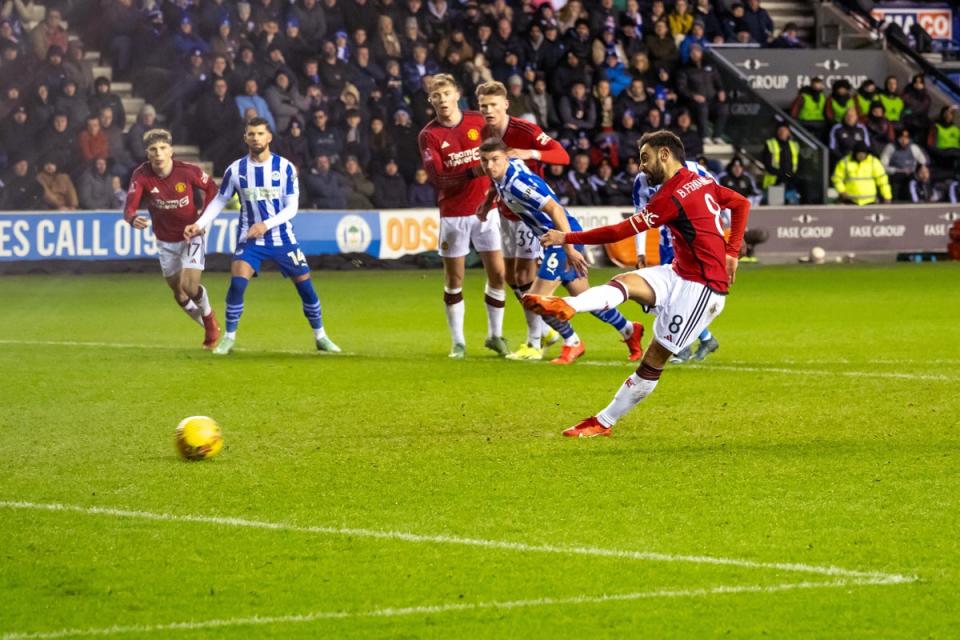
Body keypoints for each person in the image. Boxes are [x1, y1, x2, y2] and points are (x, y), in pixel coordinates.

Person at [524, 130, 749, 437]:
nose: (641, 166)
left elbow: (619, 231)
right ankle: (568, 304)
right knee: (624, 282)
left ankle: (604, 421)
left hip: (703, 290)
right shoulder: (701, 180)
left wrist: (568, 238)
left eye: (646, 158)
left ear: (665, 154)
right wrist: (732, 251)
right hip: (678, 272)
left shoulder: (671, 196)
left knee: (654, 358)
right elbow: (740, 202)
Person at [185, 117, 340, 355]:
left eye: (260, 133)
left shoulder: (285, 168)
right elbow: (220, 200)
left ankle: (321, 336)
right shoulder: (235, 169)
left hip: (282, 238)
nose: (256, 138)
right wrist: (199, 223)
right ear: (245, 138)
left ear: (269, 137)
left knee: (306, 288)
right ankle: (228, 337)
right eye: (251, 134)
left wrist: (265, 225)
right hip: (250, 239)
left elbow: (292, 208)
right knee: (237, 283)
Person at [480, 139, 644, 364]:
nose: (489, 166)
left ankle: (573, 342)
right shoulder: (504, 173)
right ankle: (629, 330)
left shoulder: (517, 183)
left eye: (495, 160)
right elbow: (495, 185)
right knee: (585, 299)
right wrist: (486, 203)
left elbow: (555, 209)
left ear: (506, 158)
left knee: (535, 300)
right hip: (559, 239)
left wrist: (569, 247)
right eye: (484, 161)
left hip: (562, 237)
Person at [474, 80, 572, 361]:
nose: (489, 110)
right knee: (513, 277)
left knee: (526, 275)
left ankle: (535, 342)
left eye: (493, 105)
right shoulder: (485, 132)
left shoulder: (525, 130)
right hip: (507, 211)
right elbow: (495, 171)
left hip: (530, 213)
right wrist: (487, 199)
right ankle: (545, 330)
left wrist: (532, 152)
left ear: (506, 104)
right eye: (484, 106)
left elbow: (562, 155)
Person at [417, 73, 508, 359]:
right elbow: (439, 179)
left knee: (498, 274)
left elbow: (500, 155)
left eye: (446, 93)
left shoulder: (478, 122)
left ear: (457, 94)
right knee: (454, 278)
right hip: (453, 215)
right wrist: (474, 171)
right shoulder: (429, 135)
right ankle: (458, 342)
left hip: (487, 211)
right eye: (436, 95)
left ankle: (495, 336)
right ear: (430, 100)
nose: (442, 99)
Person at [123, 129, 222, 348]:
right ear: (147, 154)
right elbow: (129, 206)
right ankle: (208, 324)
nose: (158, 153)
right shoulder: (141, 175)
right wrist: (131, 218)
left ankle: (209, 320)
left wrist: (202, 222)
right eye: (153, 150)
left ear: (171, 151)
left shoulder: (186, 171)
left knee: (189, 286)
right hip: (165, 241)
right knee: (178, 293)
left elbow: (212, 189)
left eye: (163, 148)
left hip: (191, 235)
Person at [633, 155, 720, 364]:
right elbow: (639, 216)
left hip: (695, 244)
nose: (644, 166)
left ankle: (682, 346)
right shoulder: (642, 181)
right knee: (668, 297)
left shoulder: (694, 170)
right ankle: (703, 339)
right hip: (667, 245)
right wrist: (640, 252)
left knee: (682, 296)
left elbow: (717, 195)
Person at [832, 141, 892, 206]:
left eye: (864, 154)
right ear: (855, 153)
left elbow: (883, 181)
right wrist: (842, 191)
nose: (862, 156)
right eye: (859, 154)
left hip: (870, 201)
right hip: (850, 201)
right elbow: (836, 179)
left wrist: (887, 196)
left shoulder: (873, 162)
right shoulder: (845, 162)